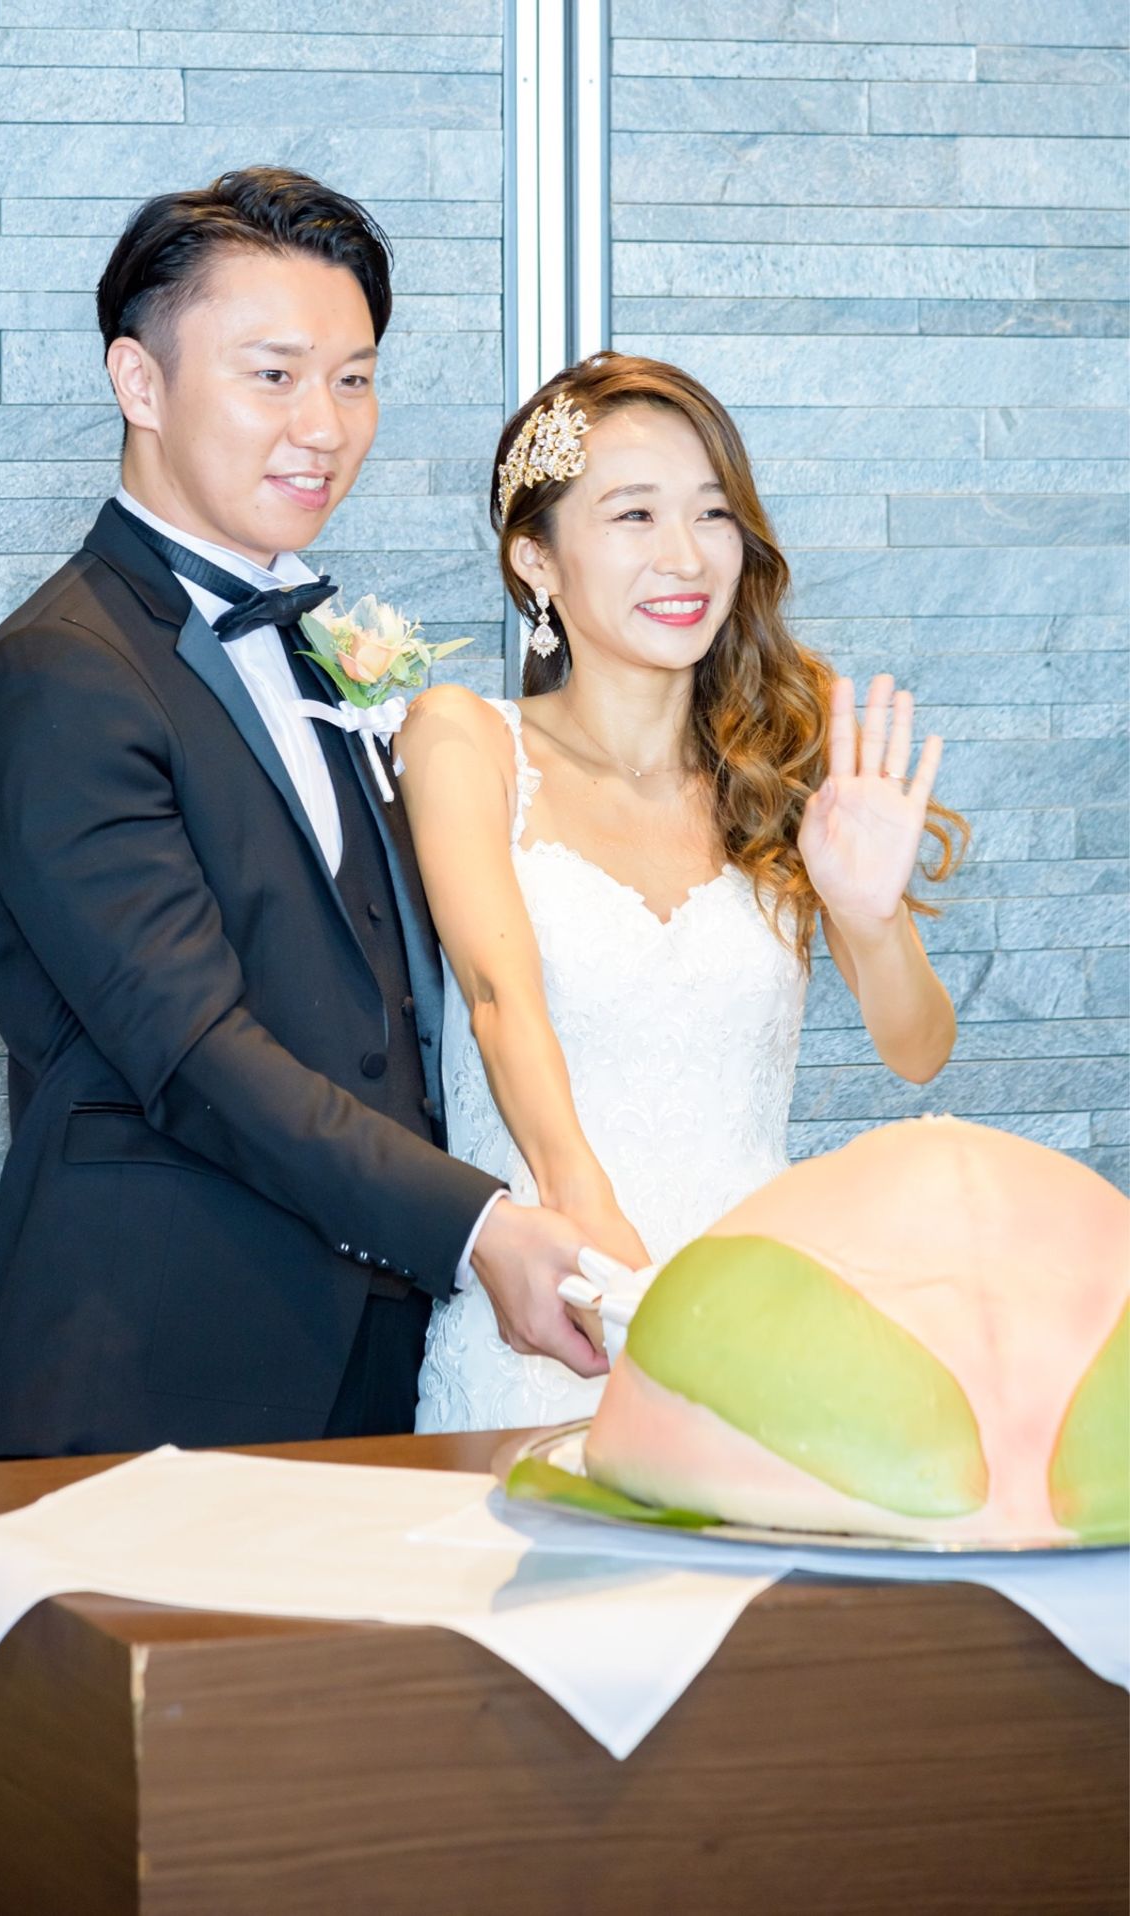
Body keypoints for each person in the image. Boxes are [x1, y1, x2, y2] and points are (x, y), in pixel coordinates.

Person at [0, 167, 605, 1460]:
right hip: (159, 1364)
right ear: (140, 382)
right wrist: (476, 1225)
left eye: (353, 379)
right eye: (274, 375)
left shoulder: (323, 641)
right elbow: (192, 1051)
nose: (324, 426)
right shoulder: (63, 674)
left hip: (387, 1354)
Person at [398, 353, 968, 1434]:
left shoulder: (779, 767)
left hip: (755, 1328)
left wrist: (870, 912)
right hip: (555, 1318)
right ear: (536, 557)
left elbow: (918, 1050)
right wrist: (601, 1246)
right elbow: (499, 998)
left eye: (711, 513)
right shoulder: (464, 738)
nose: (685, 555)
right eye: (633, 514)